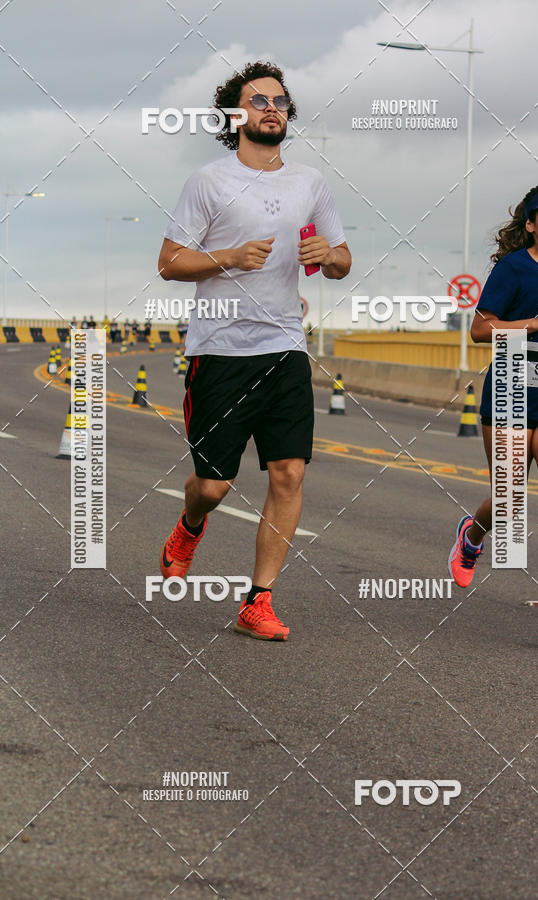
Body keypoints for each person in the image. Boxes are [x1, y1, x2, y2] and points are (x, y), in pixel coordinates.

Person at [157, 60, 351, 641]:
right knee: (213, 486)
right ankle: (190, 524)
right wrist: (228, 257)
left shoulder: (310, 183)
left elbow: (342, 261)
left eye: (280, 101)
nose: (271, 108)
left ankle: (257, 600)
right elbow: (169, 262)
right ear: (234, 115)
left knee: (289, 474)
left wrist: (327, 256)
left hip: (284, 347)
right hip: (219, 351)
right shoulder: (208, 182)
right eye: (258, 100)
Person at [448, 183, 538, 649]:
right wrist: (536, 322)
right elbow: (480, 330)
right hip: (511, 390)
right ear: (531, 224)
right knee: (509, 501)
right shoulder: (513, 268)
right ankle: (473, 534)